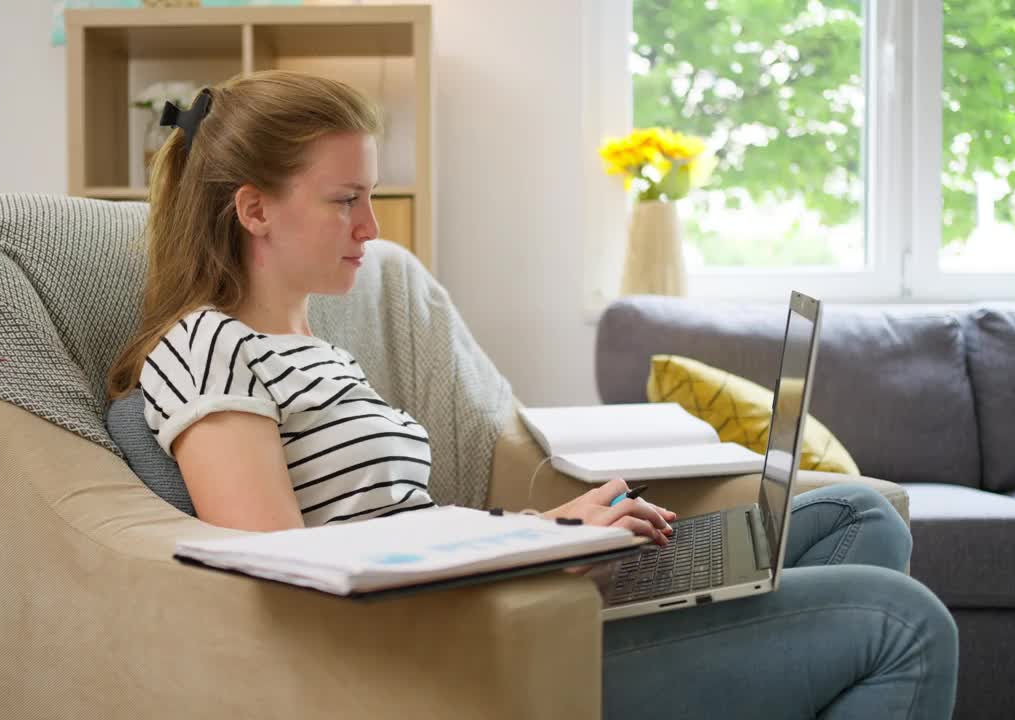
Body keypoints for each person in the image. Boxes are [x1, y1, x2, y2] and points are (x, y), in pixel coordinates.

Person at [106, 70, 958, 719]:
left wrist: (545, 537)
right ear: (254, 210)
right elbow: (289, 583)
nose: (371, 227)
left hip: (499, 599)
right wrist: (539, 543)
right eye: (345, 201)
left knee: (859, 516)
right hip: (456, 659)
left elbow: (393, 530)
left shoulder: (313, 348)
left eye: (369, 197)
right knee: (905, 625)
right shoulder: (206, 349)